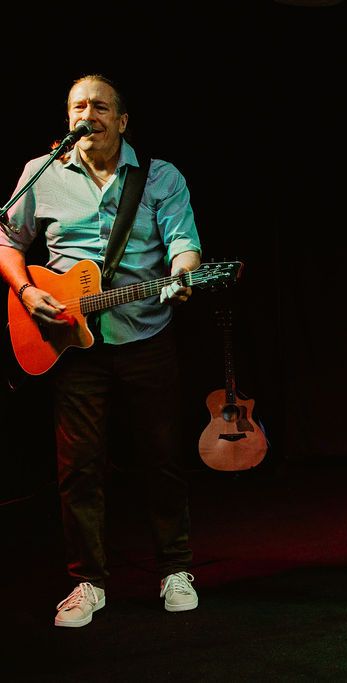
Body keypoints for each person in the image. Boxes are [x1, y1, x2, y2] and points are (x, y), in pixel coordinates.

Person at [0, 74, 202, 627]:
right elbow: (8, 241)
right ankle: (87, 581)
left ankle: (175, 569)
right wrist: (27, 291)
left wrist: (182, 275)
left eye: (99, 107)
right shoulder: (40, 173)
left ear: (122, 120)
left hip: (146, 336)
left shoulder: (159, 177)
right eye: (78, 107)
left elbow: (183, 243)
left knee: (161, 458)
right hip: (72, 345)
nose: (87, 115)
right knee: (79, 469)